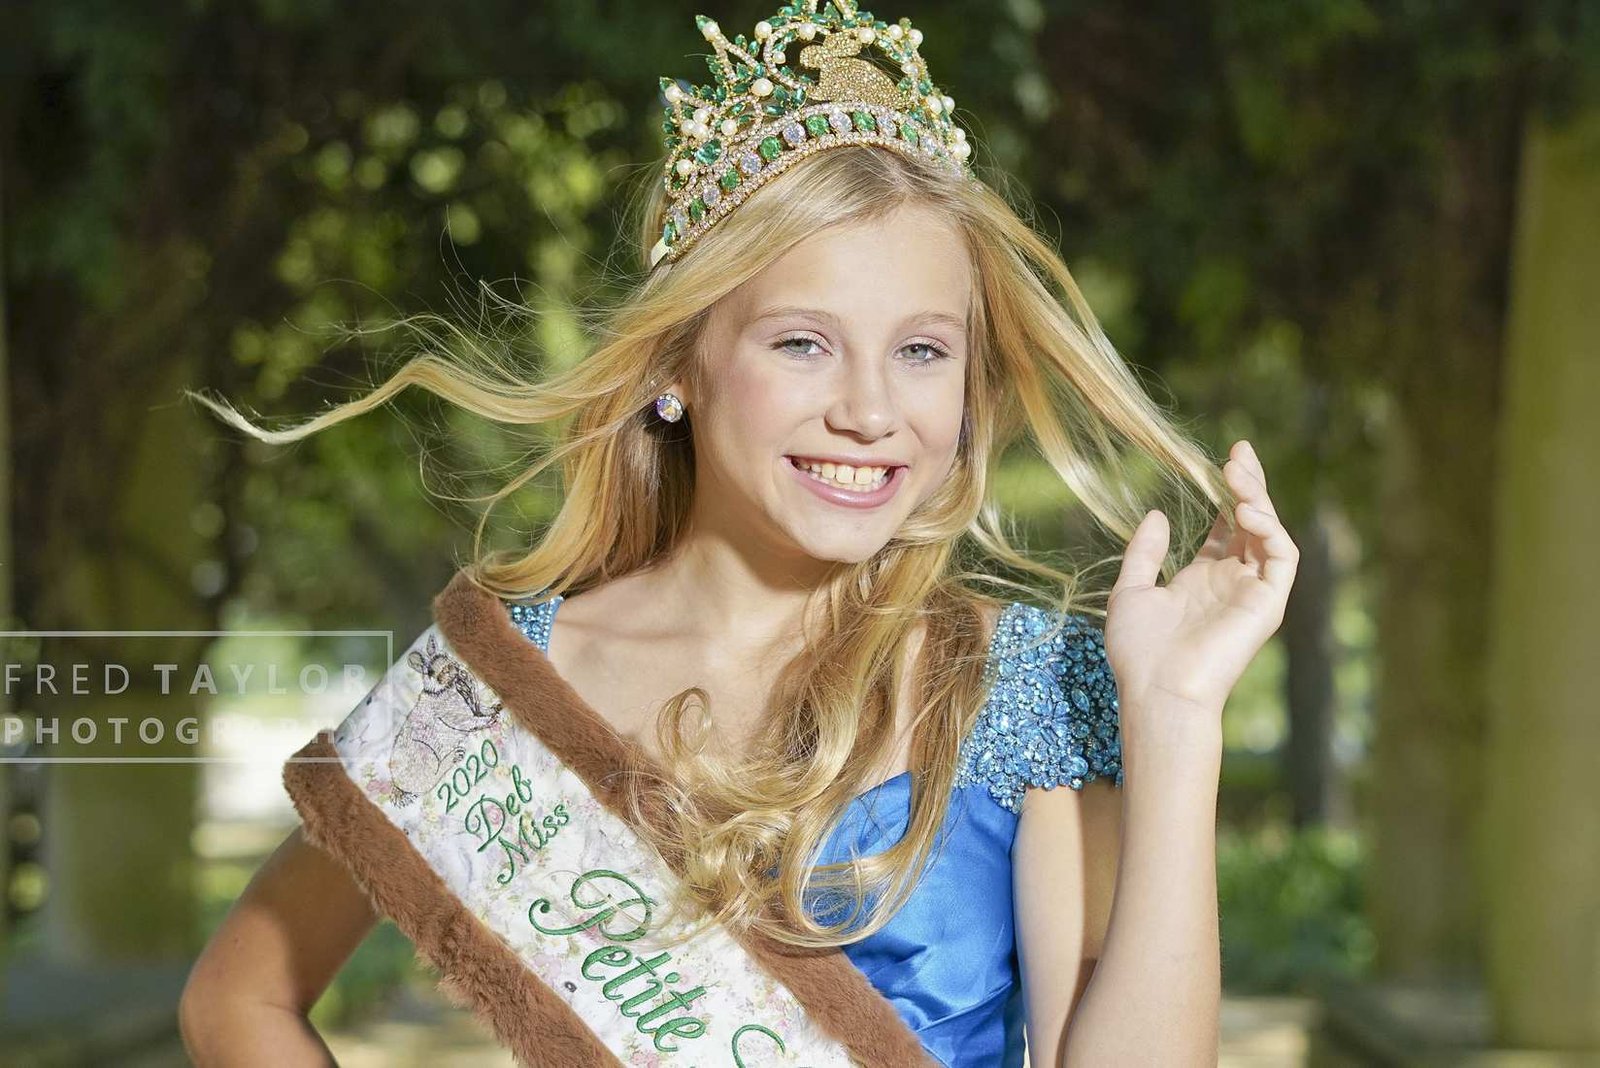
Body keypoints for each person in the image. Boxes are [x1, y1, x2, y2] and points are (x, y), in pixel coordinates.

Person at [179, 1, 1297, 1065]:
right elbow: (239, 998)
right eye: (801, 343)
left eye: (921, 351)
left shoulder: (1024, 686)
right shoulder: (505, 681)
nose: (869, 409)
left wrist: (1177, 717)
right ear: (677, 367)